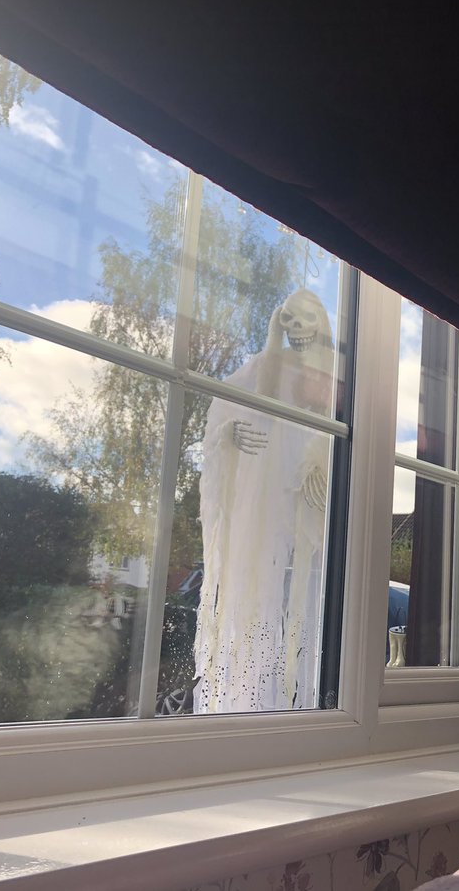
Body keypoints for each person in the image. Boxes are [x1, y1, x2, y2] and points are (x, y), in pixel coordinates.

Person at [195, 289, 335, 713]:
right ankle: (249, 707)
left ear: (322, 321)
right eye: (286, 320)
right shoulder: (267, 365)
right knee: (260, 588)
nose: (295, 330)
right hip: (271, 495)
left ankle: (308, 703)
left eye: (304, 319)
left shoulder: (340, 378)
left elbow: (343, 429)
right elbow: (243, 407)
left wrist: (323, 460)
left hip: (316, 497)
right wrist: (229, 434)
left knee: (317, 596)